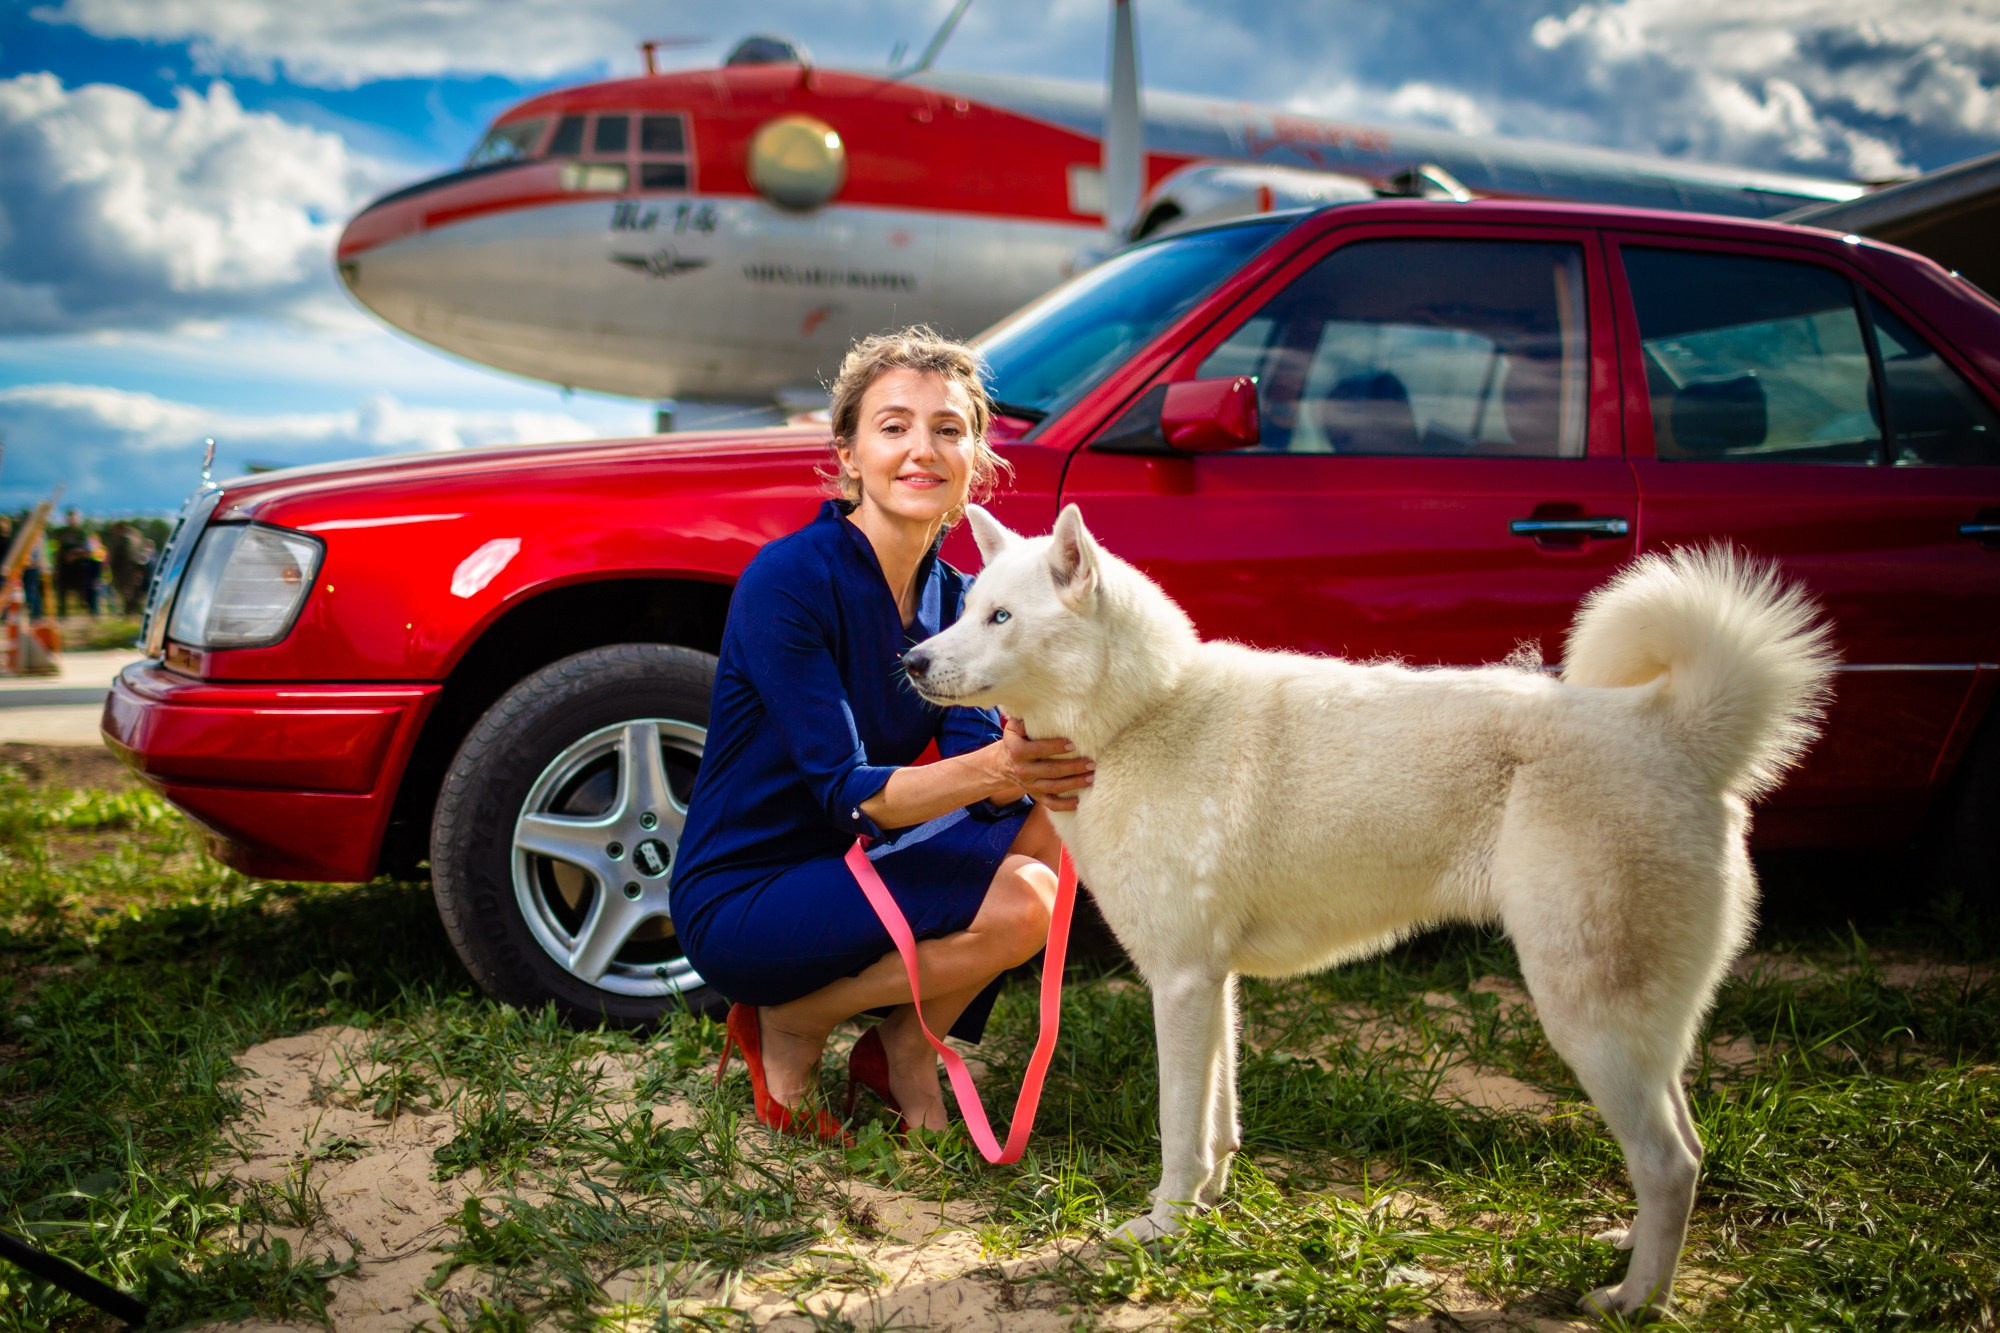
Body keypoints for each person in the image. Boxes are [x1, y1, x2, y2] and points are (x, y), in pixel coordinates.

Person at [669, 327, 1094, 1141]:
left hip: (854, 864)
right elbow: (846, 788)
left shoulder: (959, 594)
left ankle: (903, 1041)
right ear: (850, 453)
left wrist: (1055, 732)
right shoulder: (789, 579)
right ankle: (787, 1023)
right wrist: (1001, 768)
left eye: (947, 429)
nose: (921, 449)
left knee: (1055, 808)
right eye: (893, 426)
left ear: (976, 460)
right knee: (1023, 900)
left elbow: (983, 751)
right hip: (746, 893)